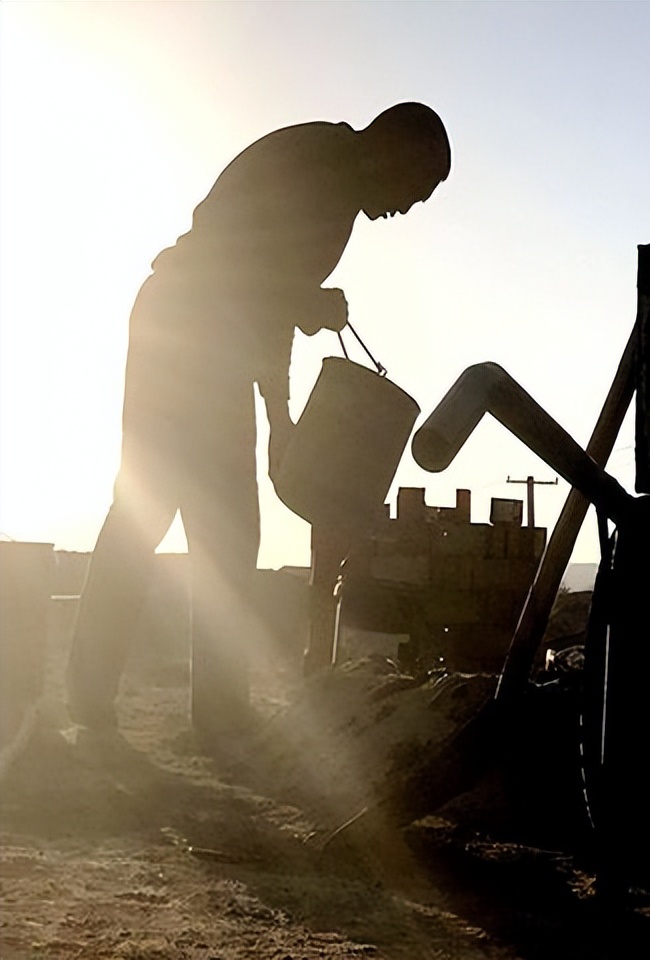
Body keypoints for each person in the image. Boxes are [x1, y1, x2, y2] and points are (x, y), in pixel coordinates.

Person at [66, 103, 451, 746]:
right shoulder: (318, 167)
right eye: (416, 189)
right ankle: (97, 699)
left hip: (213, 342)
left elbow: (269, 315)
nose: (407, 208)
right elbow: (248, 275)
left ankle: (213, 715)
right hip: (185, 328)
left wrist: (281, 417)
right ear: (394, 150)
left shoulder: (338, 190)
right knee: (150, 508)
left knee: (229, 531)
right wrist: (309, 309)